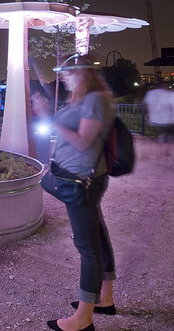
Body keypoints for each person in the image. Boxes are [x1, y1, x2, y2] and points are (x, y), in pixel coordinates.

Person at [41, 54, 116, 331]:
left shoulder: (95, 101)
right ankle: (104, 298)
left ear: (83, 73)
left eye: (68, 72)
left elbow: (84, 141)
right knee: (97, 237)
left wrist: (52, 119)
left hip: (79, 181)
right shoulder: (87, 100)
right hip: (79, 179)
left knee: (87, 248)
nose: (63, 76)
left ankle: (83, 319)